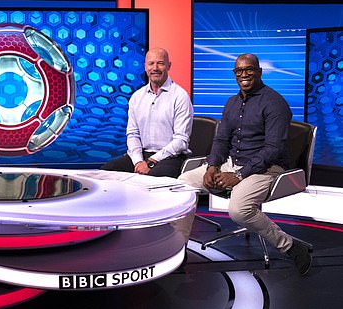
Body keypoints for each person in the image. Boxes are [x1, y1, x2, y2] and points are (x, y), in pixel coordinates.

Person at [177, 53, 312, 275]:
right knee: (182, 185)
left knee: (239, 210)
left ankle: (291, 246)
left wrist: (239, 176)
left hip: (266, 168)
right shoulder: (231, 103)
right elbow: (221, 140)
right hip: (233, 162)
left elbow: (273, 150)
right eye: (239, 71)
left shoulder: (275, 103)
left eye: (249, 70)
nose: (244, 75)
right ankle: (179, 250)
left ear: (259, 72)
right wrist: (212, 166)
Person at [101, 47, 193, 178]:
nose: (155, 68)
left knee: (152, 179)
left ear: (169, 66)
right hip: (142, 155)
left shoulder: (180, 96)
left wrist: (150, 162)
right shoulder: (137, 97)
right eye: (151, 63)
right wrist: (138, 161)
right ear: (145, 67)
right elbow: (133, 134)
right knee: (106, 173)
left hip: (170, 157)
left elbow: (181, 141)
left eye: (160, 63)